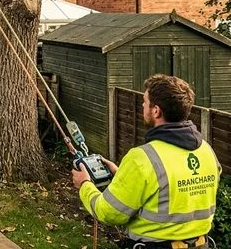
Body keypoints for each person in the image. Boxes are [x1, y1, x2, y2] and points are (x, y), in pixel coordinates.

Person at [71, 74, 220, 249]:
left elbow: (108, 213)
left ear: (156, 110)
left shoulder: (142, 158)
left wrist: (85, 185)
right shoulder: (207, 151)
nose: (142, 105)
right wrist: (122, 176)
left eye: (145, 101)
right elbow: (172, 192)